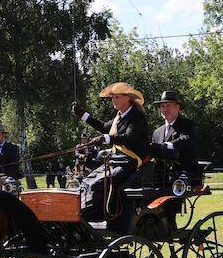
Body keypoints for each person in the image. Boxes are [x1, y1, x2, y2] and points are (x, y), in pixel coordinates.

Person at [72, 82, 150, 221]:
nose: (113, 100)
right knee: (87, 180)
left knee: (97, 183)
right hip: (116, 161)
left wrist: (106, 138)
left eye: (116, 97)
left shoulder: (137, 116)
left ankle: (90, 216)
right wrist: (83, 115)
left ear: (128, 98)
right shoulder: (119, 117)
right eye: (112, 97)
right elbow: (103, 126)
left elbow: (129, 138)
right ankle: (77, 211)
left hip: (130, 163)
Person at [149, 90, 201, 187]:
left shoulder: (187, 124)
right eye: (162, 106)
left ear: (178, 107)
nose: (165, 109)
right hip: (160, 180)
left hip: (184, 177)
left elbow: (186, 139)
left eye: (168, 105)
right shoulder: (157, 133)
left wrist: (167, 145)